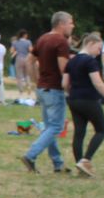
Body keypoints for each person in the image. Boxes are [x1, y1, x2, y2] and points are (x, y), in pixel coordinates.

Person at [20, 11, 74, 173]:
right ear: (61, 24)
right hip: (55, 88)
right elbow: (64, 68)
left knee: (49, 127)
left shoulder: (43, 39)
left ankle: (58, 163)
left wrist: (36, 80)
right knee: (56, 127)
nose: (73, 26)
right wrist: (70, 87)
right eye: (71, 23)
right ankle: (30, 155)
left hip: (42, 88)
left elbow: (29, 61)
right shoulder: (61, 41)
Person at [65, 32, 104, 177]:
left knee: (79, 132)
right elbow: (97, 82)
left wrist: (73, 92)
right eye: (98, 48)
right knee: (101, 129)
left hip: (73, 99)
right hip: (89, 99)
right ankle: (86, 160)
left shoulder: (71, 61)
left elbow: (64, 83)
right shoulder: (90, 61)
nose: (99, 53)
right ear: (90, 43)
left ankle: (80, 163)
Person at [10, 28, 33, 102]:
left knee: (19, 76)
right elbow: (31, 50)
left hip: (19, 59)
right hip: (26, 59)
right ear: (25, 35)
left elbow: (12, 51)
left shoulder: (15, 42)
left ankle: (21, 91)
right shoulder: (28, 42)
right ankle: (29, 89)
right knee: (27, 75)